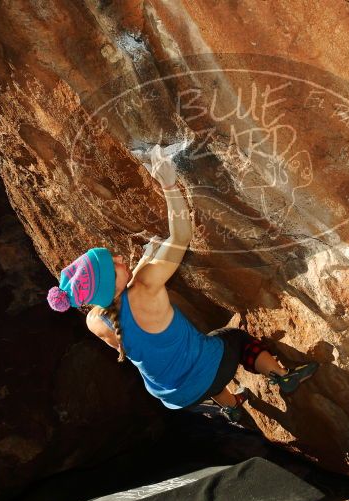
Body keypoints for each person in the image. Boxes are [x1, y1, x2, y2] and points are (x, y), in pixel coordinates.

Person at [47, 145, 318, 421]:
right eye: (113, 263)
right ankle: (282, 376)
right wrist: (168, 183)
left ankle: (232, 406)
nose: (118, 256)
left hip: (176, 397)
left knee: (194, 360)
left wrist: (143, 261)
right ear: (109, 283)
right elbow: (180, 237)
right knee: (233, 339)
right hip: (205, 373)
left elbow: (124, 297)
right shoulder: (147, 285)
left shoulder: (94, 319)